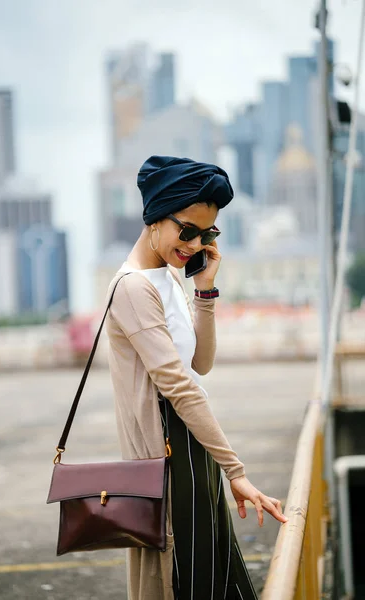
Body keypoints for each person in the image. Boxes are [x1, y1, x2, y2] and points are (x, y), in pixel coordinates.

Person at [105, 156, 288, 600]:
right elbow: (180, 387)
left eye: (206, 233)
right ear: (154, 219)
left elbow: (200, 364)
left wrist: (204, 289)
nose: (193, 243)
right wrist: (236, 470)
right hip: (168, 458)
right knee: (193, 581)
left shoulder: (167, 277)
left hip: (194, 451)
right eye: (186, 230)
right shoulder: (133, 287)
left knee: (218, 577)